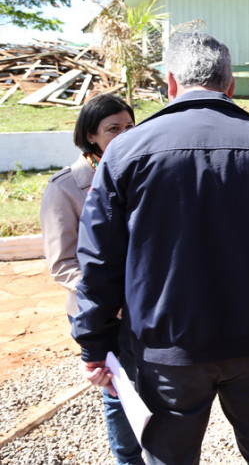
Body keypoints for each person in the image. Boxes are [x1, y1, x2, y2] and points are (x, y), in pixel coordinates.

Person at [72, 32, 249, 465]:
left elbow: (100, 261)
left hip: (169, 345)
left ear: (171, 82)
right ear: (230, 85)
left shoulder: (126, 150)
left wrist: (94, 343)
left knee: (170, 458)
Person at [39, 94, 143, 465]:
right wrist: (110, 295)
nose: (124, 135)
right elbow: (63, 263)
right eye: (113, 128)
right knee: (119, 392)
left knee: (154, 387)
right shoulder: (65, 188)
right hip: (102, 312)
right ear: (90, 136)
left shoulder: (140, 173)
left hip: (144, 306)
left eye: (129, 126)